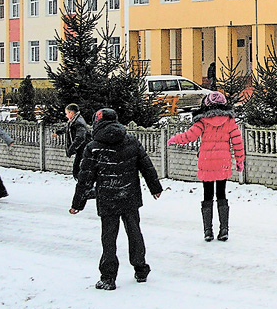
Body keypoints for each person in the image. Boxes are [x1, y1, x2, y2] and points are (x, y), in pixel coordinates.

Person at [70, 108, 163, 291]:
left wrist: (77, 204)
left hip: (107, 197)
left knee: (108, 237)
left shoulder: (93, 147)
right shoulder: (131, 141)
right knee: (134, 232)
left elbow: (85, 177)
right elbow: (146, 165)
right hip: (130, 195)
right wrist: (155, 188)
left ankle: (108, 277)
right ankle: (141, 268)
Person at [167, 91, 244, 242]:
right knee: (221, 194)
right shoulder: (229, 121)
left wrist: (175, 139)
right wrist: (239, 161)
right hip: (223, 163)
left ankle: (208, 231)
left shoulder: (202, 121)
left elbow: (189, 136)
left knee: (207, 195)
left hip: (206, 162)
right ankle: (224, 230)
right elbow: (237, 142)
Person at [54, 103, 91, 178]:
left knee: (78, 170)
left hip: (84, 148)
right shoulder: (74, 121)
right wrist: (58, 132)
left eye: (67, 113)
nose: (66, 115)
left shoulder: (78, 122)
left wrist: (71, 149)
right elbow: (68, 128)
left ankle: (83, 185)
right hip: (81, 149)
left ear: (71, 113)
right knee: (77, 169)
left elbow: (80, 138)